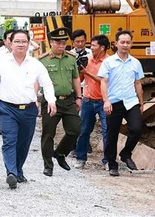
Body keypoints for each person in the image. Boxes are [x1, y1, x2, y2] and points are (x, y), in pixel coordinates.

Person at [0, 30, 56, 189]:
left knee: (24, 143)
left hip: (29, 109)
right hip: (7, 108)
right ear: (10, 43)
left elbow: (47, 83)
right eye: (17, 41)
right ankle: (11, 172)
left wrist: (51, 100)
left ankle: (18, 169)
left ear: (28, 43)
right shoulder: (1, 62)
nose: (21, 44)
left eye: (24, 41)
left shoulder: (36, 64)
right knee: (10, 140)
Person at [98, 30, 144, 176]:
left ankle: (126, 153)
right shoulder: (108, 62)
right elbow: (103, 82)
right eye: (122, 42)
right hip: (114, 102)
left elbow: (138, 84)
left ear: (131, 44)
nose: (125, 45)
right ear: (116, 43)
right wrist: (106, 100)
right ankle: (112, 164)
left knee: (137, 129)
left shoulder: (135, 63)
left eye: (128, 42)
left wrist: (141, 103)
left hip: (131, 102)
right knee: (111, 134)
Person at [39, 27, 82, 177]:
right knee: (48, 133)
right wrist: (35, 100)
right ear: (51, 42)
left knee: (75, 129)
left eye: (64, 43)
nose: (61, 46)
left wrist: (79, 97)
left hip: (69, 100)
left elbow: (75, 78)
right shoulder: (43, 60)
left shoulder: (70, 58)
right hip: (51, 102)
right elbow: (36, 82)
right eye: (58, 43)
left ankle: (60, 153)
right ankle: (48, 165)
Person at [74, 35, 110, 169]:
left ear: (102, 47)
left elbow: (103, 81)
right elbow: (81, 77)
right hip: (88, 100)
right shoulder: (87, 59)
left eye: (93, 46)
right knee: (83, 130)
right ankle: (81, 157)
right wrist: (79, 70)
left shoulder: (109, 62)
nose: (91, 48)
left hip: (104, 101)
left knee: (107, 131)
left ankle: (108, 160)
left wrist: (86, 72)